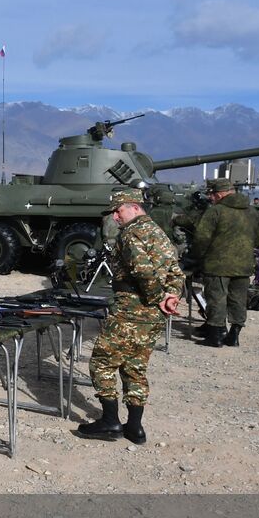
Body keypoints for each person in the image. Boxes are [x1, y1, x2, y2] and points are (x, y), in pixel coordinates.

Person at [75, 189, 182, 444]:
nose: (115, 216)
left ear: (134, 207)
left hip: (130, 311)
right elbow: (176, 271)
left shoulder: (131, 234)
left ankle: (110, 422)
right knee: (135, 367)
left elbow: (144, 272)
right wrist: (170, 296)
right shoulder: (158, 233)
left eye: (118, 210)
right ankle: (135, 427)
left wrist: (156, 296)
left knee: (101, 363)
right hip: (153, 315)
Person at [189, 179, 259, 347]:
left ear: (219, 194)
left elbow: (202, 238)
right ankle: (234, 335)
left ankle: (216, 336)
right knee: (239, 299)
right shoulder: (251, 211)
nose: (210, 198)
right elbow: (258, 237)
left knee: (217, 298)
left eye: (211, 195)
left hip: (218, 264)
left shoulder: (216, 211)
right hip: (244, 264)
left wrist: (197, 256)